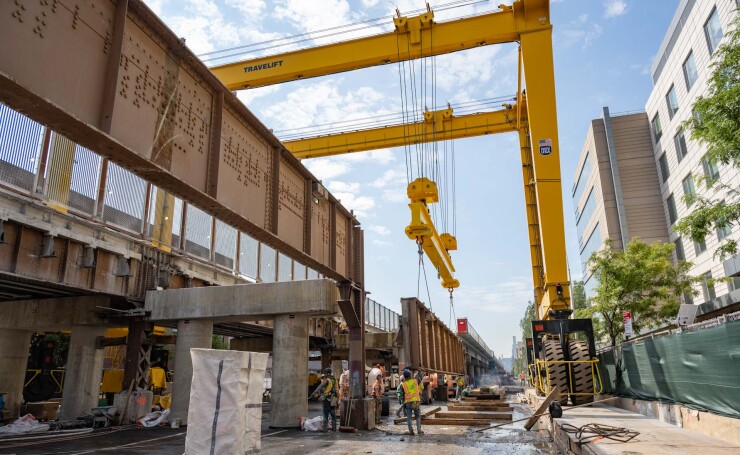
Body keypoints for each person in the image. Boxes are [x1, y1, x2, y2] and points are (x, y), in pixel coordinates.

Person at [310, 367, 338, 432]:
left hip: (327, 399)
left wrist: (313, 394)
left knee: (325, 414)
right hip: (333, 399)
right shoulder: (335, 380)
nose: (324, 375)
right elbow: (336, 390)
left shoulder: (327, 380)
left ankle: (325, 429)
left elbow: (319, 387)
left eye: (325, 373)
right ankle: (334, 428)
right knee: (333, 415)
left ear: (326, 373)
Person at [399, 369, 423, 436]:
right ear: (410, 375)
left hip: (408, 402)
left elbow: (402, 394)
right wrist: (418, 371)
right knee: (418, 416)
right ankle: (419, 430)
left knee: (409, 417)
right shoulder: (415, 381)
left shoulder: (403, 384)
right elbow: (420, 377)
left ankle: (411, 431)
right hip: (415, 401)